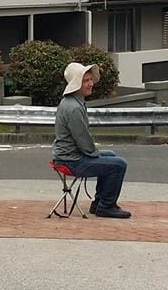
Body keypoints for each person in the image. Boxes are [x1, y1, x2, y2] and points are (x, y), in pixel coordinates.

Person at [52, 62, 131, 219]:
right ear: (76, 84)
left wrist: (95, 154)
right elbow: (82, 139)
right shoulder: (73, 107)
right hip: (71, 161)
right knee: (119, 164)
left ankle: (99, 202)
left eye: (90, 80)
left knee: (111, 155)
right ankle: (106, 205)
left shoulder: (74, 102)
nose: (90, 84)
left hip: (69, 156)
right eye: (85, 80)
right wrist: (94, 153)